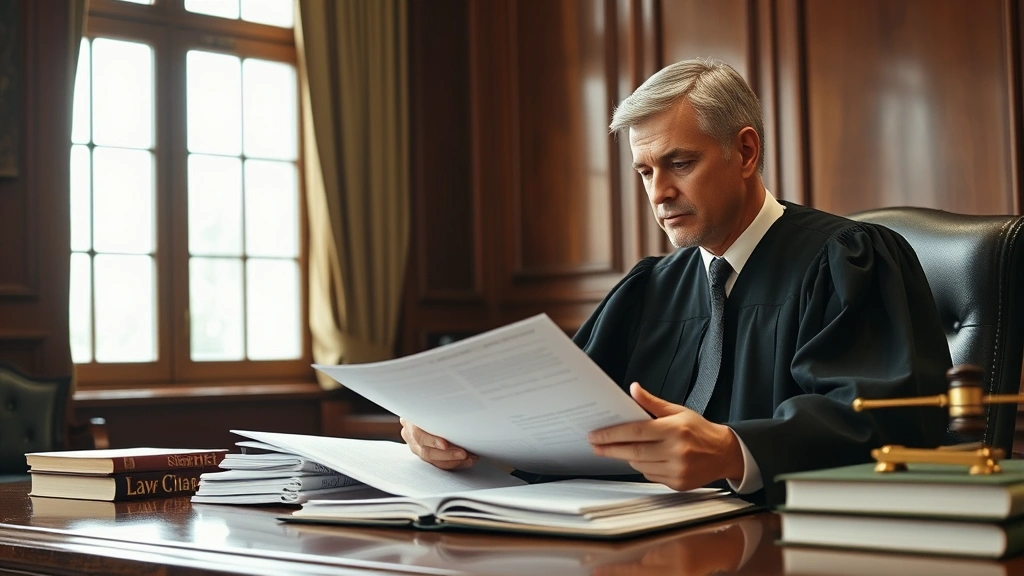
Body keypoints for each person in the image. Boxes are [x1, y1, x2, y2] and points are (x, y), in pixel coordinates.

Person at [400, 57, 951, 505]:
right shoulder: (650, 289)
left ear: (746, 151)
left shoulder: (848, 260)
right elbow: (553, 414)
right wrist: (457, 430)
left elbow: (890, 423)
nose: (658, 192)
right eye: (645, 171)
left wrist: (736, 451)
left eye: (679, 163)